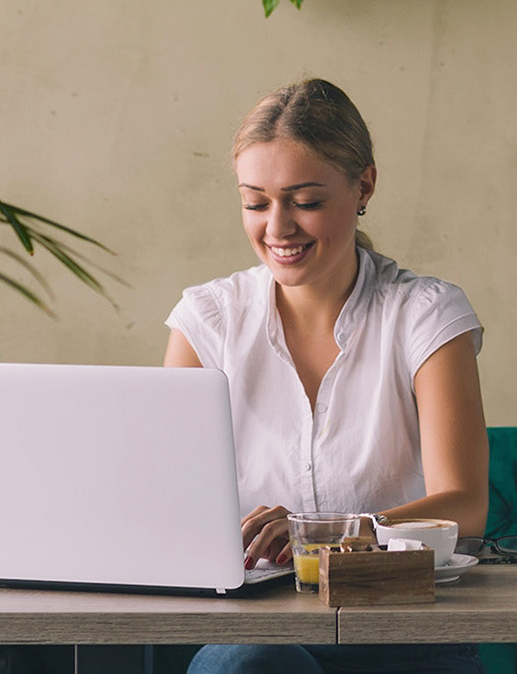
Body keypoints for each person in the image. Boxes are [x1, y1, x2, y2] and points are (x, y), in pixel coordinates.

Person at [164, 78, 489, 674]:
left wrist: (320, 532)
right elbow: (167, 501)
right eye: (256, 202)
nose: (278, 228)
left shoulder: (424, 315)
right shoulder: (206, 320)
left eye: (305, 201)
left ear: (363, 185)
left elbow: (465, 505)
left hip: (402, 630)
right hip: (254, 631)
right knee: (246, 662)